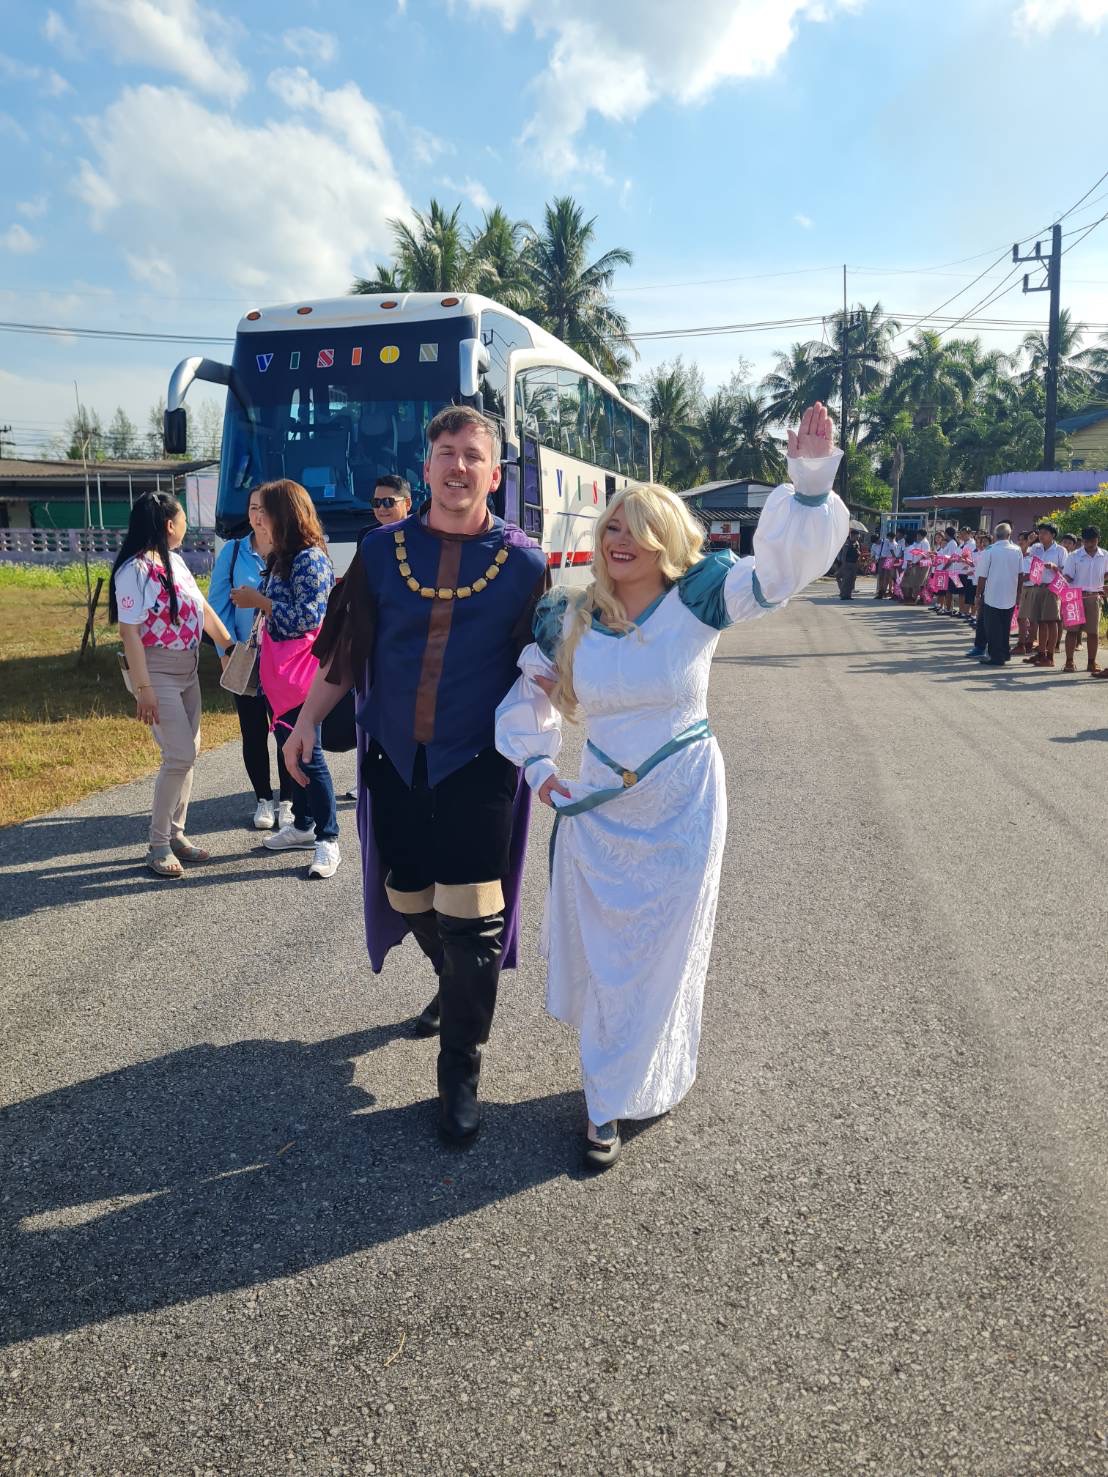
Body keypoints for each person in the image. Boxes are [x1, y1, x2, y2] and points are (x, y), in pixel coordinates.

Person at [495, 403, 848, 1170]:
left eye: (637, 529)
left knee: (662, 957)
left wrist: (810, 484)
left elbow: (781, 571)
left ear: (668, 538)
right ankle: (609, 1089)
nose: (619, 542)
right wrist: (542, 770)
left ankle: (614, 1099)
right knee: (609, 959)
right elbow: (529, 698)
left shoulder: (705, 595)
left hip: (683, 806)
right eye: (611, 529)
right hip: (598, 814)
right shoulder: (571, 614)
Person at [286, 405, 549, 1144]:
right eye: (446, 452)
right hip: (395, 759)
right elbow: (345, 651)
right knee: (407, 894)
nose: (458, 466)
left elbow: (546, 666)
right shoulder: (379, 552)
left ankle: (460, 1067)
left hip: (479, 764)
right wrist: (306, 723)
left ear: (494, 475)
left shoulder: (526, 566)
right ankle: (455, 982)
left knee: (474, 917)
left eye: (473, 455)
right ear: (427, 466)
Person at [109, 492, 233, 878]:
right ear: (169, 525)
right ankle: (158, 844)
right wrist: (143, 688)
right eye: (183, 520)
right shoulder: (133, 571)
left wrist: (228, 647)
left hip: (188, 670)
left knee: (188, 754)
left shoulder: (175, 561)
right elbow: (129, 632)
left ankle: (176, 834)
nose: (186, 526)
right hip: (157, 672)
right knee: (179, 755)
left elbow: (202, 608)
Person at [232, 481, 341, 880]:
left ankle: (328, 837)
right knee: (291, 753)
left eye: (266, 510)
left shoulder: (310, 559)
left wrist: (260, 602)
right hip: (279, 676)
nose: (259, 518)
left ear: (286, 514)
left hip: (301, 675)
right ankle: (304, 824)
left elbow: (310, 618)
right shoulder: (281, 557)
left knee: (309, 756)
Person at [208, 488, 294, 831]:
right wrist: (226, 652)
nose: (259, 515)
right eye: (254, 508)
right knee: (253, 732)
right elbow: (218, 606)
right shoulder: (233, 552)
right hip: (245, 657)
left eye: (266, 508)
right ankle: (263, 799)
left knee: (287, 731)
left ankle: (288, 801)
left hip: (285, 660)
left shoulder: (293, 550)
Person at [971, 522, 1021, 666]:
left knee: (993, 628)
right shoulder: (1017, 550)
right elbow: (1021, 574)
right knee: (1005, 626)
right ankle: (1005, 653)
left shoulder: (990, 550)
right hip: (1010, 593)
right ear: (1009, 534)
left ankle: (996, 657)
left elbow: (982, 576)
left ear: (995, 535)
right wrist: (1019, 593)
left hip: (993, 594)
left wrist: (978, 595)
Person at [1064, 525, 1107, 675]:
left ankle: (1091, 662)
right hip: (1075, 596)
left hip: (1094, 596)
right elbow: (1068, 575)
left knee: (1093, 632)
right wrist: (1063, 580)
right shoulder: (1074, 556)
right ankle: (1069, 661)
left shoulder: (1105, 555)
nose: (1090, 544)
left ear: (1098, 539)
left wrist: (1103, 583)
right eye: (1087, 541)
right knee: (1072, 631)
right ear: (1082, 541)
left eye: (1093, 540)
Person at [1026, 523, 1066, 667]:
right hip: (1037, 586)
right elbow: (1023, 556)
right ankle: (1041, 653)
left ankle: (1050, 656)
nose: (1041, 535)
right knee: (1040, 621)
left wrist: (1054, 568)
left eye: (1045, 533)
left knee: (1051, 621)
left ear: (1053, 535)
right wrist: (1029, 542)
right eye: (1040, 532)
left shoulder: (1060, 550)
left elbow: (1066, 572)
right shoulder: (1036, 548)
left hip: (1051, 588)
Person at [901, 529, 931, 604]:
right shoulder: (918, 542)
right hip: (917, 564)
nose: (917, 536)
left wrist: (916, 563)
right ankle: (914, 598)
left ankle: (916, 599)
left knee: (920, 582)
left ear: (921, 535)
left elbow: (925, 555)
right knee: (916, 582)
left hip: (922, 565)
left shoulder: (925, 542)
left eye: (918, 535)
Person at [873, 529, 898, 599]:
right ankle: (881, 591)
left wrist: (894, 558)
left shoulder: (892, 543)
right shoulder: (885, 541)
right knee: (881, 576)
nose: (888, 539)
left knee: (887, 576)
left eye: (889, 537)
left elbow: (893, 551)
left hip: (889, 559)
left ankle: (884, 591)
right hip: (882, 559)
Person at [837, 530, 860, 600]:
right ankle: (843, 594)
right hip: (848, 563)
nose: (858, 537)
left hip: (854, 564)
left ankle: (848, 595)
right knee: (846, 580)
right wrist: (844, 564)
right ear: (852, 535)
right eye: (857, 536)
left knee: (851, 580)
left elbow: (857, 552)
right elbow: (844, 554)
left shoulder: (857, 543)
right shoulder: (847, 543)